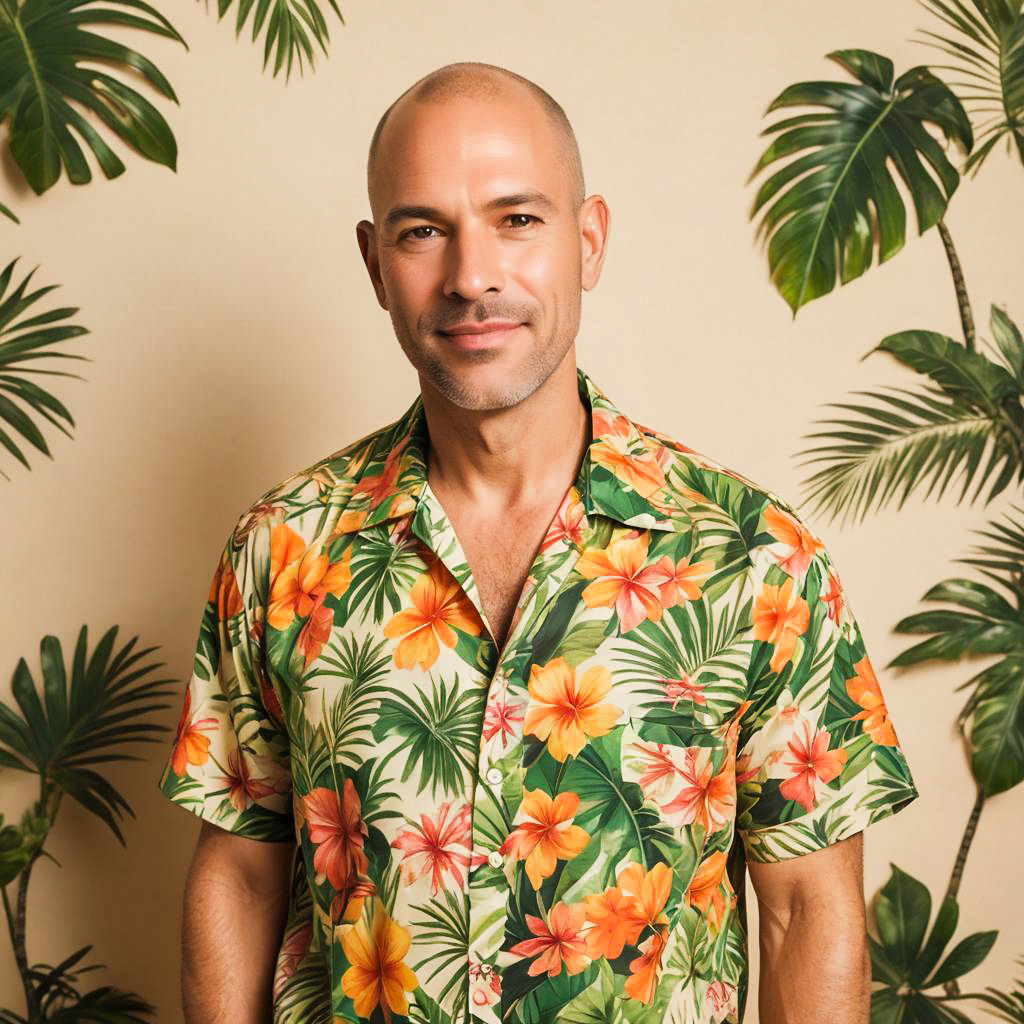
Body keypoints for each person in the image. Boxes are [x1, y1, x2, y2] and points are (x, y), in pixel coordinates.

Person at [157, 60, 918, 1024]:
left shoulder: (759, 560)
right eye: (423, 230)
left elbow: (806, 911)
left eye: (518, 219)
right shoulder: (281, 552)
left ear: (589, 241)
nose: (471, 276)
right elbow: (240, 876)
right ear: (374, 264)